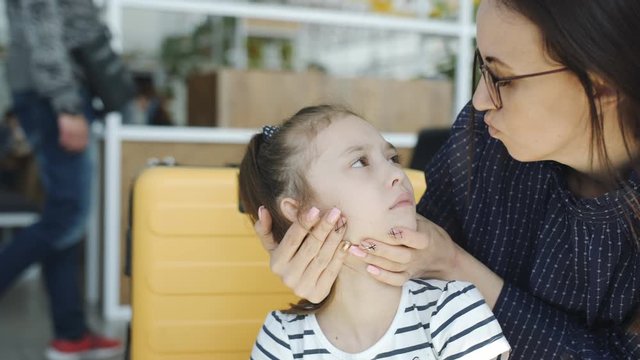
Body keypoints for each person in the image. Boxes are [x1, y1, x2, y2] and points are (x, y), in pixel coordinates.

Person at [253, 0, 640, 359]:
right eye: (481, 67)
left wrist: (454, 263)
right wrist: (319, 258)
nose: (479, 99)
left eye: (503, 78)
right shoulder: (485, 138)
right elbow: (399, 257)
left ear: (603, 85)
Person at [239, 105, 511, 359]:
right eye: (360, 162)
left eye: (392, 158)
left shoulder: (453, 309)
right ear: (299, 211)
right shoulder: (283, 338)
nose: (397, 174)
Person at [0, 0, 123, 359]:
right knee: (66, 216)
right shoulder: (59, 96)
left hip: (48, 94)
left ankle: (70, 334)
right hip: (53, 97)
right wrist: (67, 104)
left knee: (66, 220)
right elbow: (42, 25)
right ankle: (70, 332)